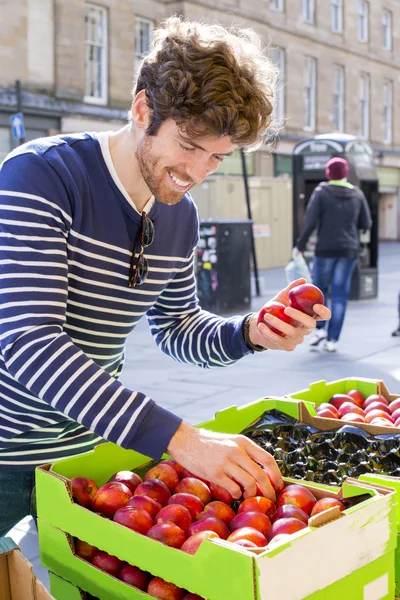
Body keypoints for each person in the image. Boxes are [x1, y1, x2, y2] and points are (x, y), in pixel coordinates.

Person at [0, 17, 330, 537]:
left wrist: (251, 333)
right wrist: (180, 438)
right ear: (142, 109)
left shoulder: (181, 215)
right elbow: (27, 341)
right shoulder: (42, 175)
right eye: (190, 145)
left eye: (217, 157)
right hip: (6, 455)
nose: (197, 172)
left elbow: (176, 329)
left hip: (89, 453)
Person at [295, 156, 372, 353]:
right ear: (346, 174)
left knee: (319, 291)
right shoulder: (357, 194)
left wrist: (300, 245)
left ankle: (319, 329)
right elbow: (366, 223)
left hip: (325, 249)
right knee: (339, 295)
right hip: (348, 250)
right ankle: (333, 340)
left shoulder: (322, 192)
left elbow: (310, 221)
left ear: (329, 173)